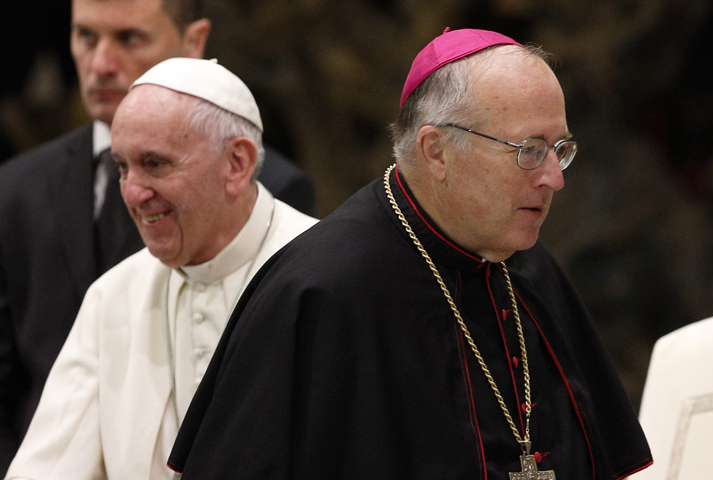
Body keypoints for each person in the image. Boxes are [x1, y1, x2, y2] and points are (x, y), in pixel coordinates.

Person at [168, 29, 653, 480]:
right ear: (436, 150)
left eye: (559, 148)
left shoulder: (527, 265)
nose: (554, 177)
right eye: (529, 150)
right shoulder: (320, 291)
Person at [0, 0, 315, 473]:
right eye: (121, 166)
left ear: (237, 164)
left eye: (155, 164)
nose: (132, 192)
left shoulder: (325, 277)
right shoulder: (113, 295)